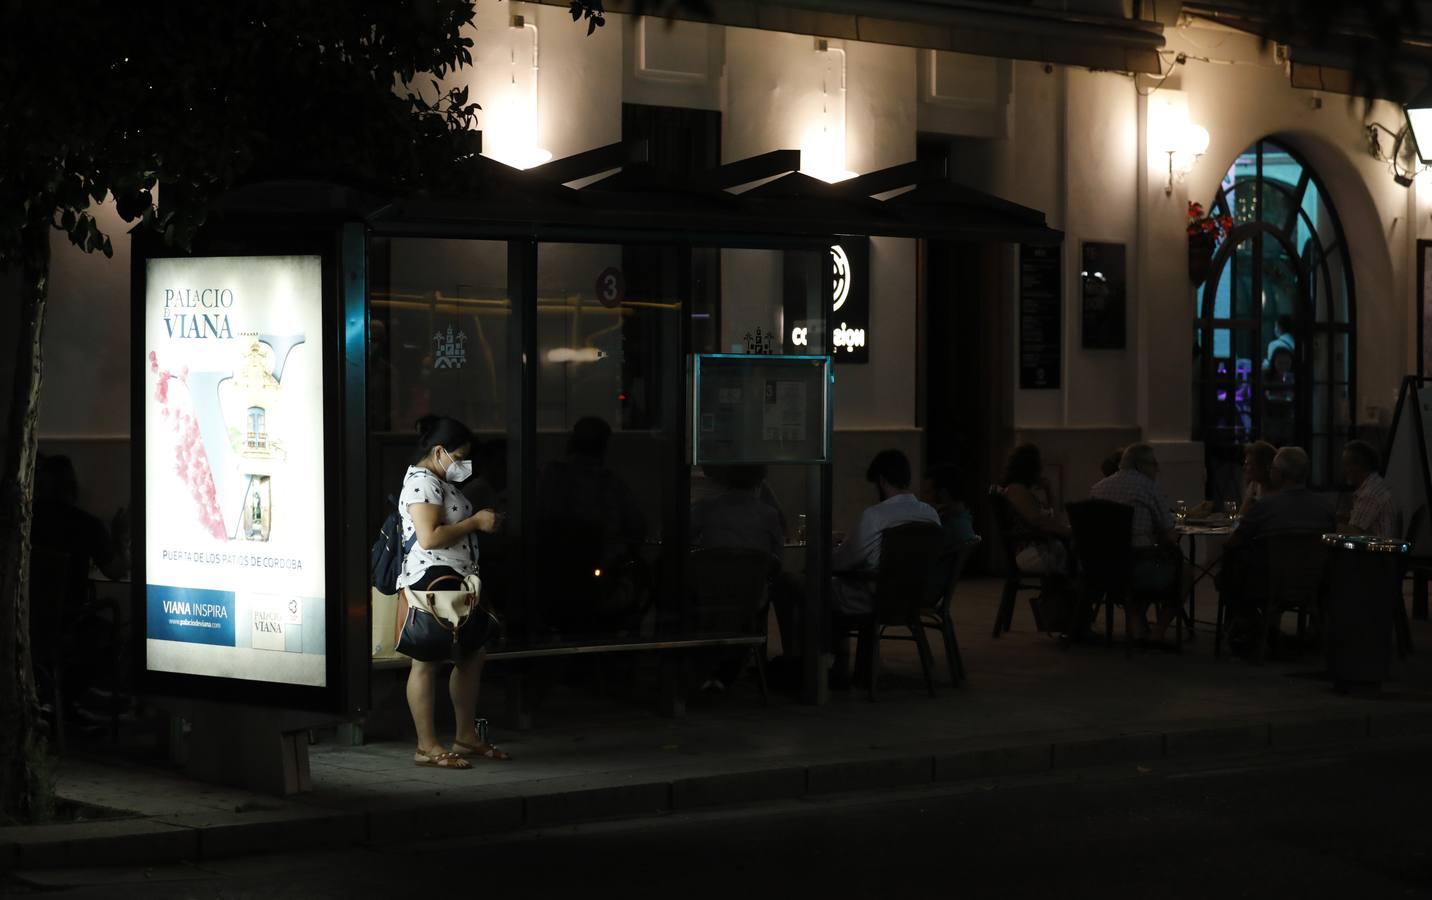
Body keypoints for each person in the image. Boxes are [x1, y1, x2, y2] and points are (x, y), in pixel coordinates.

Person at [397, 415, 509, 769]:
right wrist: (475, 522)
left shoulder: (436, 479)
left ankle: (465, 736)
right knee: (427, 660)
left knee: (472, 654)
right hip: (431, 582)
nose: (463, 465)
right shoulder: (422, 484)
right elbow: (429, 537)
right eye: (459, 457)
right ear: (440, 451)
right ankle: (426, 745)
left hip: (456, 580)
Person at [829, 450, 941, 687]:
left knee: (814, 590)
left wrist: (833, 547)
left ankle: (825, 669)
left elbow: (844, 562)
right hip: (915, 598)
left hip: (874, 597)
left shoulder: (875, 516)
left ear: (880, 480)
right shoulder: (930, 515)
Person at [1217, 446, 1337, 655]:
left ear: (1280, 474)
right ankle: (1269, 630)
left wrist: (1241, 515)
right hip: (1314, 583)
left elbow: (1232, 540)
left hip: (1270, 584)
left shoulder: (1266, 506)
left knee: (1228, 573)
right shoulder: (1325, 507)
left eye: (1273, 469)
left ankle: (1252, 627)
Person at [535, 416, 647, 633]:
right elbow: (636, 527)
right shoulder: (610, 484)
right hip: (597, 574)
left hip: (555, 573)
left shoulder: (552, 477)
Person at [1090, 443, 1183, 644]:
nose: (1157, 469)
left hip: (1101, 570)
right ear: (1140, 465)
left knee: (1137, 561)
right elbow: (1169, 536)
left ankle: (1138, 626)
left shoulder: (1098, 488)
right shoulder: (1149, 488)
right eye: (1154, 463)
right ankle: (1157, 634)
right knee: (1182, 572)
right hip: (1137, 569)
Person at [999, 443, 1070, 575]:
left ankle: (1058, 594)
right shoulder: (1017, 490)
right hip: (1030, 552)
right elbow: (1037, 520)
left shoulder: (1022, 491)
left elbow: (1053, 518)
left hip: (1038, 547)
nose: (1041, 469)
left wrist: (1049, 491)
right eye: (1039, 465)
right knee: (1076, 558)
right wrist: (1067, 531)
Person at [1341, 440, 1399, 538]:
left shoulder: (1369, 494)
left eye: (1346, 464)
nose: (1344, 470)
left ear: (1359, 466)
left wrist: (1327, 527)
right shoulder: (1376, 484)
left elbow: (1354, 533)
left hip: (1374, 551)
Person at [1239, 440, 1277, 518]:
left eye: (1249, 463)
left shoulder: (1278, 491)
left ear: (1264, 466)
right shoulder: (1255, 485)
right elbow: (1241, 518)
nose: (1244, 467)